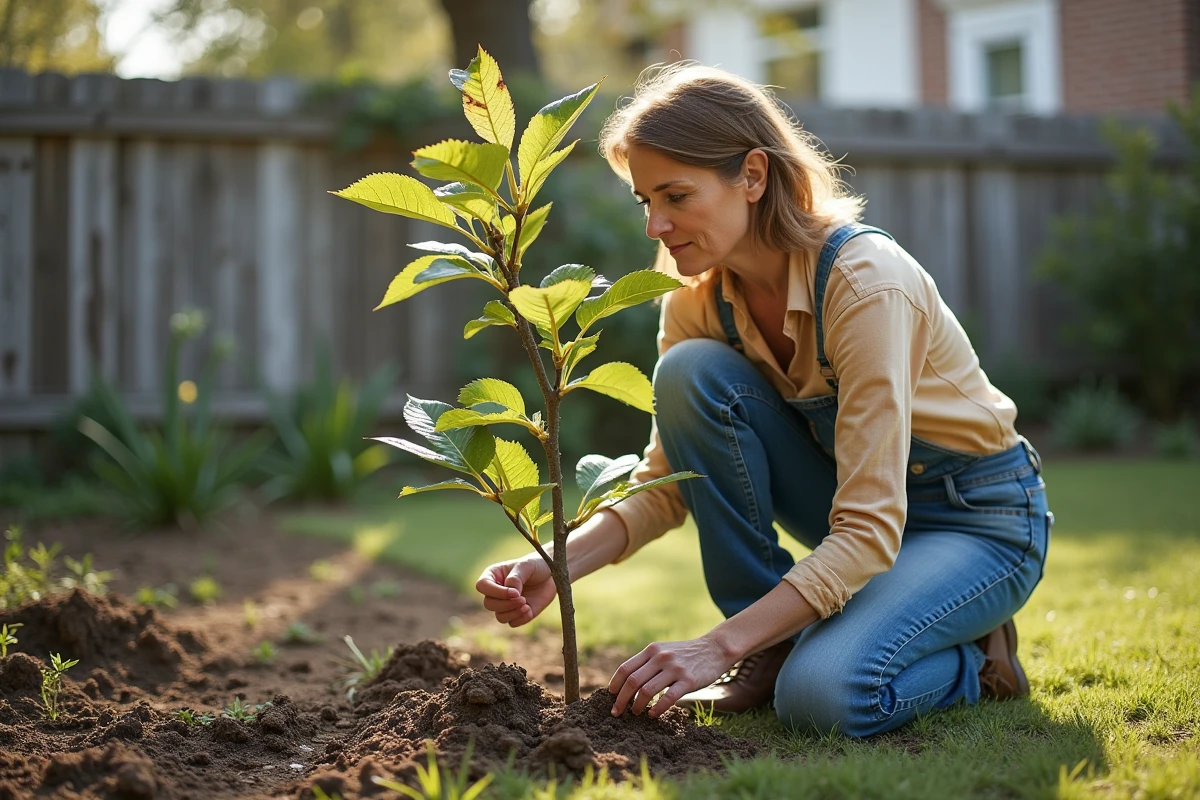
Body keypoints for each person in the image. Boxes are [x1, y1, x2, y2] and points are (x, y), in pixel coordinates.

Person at [474, 63, 1053, 739]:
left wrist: (717, 646)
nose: (655, 225)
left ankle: (982, 661)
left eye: (676, 196)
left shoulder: (864, 285)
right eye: (644, 202)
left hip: (975, 520)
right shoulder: (697, 301)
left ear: (752, 176)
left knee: (824, 697)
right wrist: (553, 564)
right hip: (861, 511)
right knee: (689, 373)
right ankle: (771, 647)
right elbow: (667, 486)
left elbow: (868, 528)